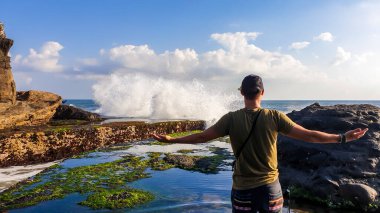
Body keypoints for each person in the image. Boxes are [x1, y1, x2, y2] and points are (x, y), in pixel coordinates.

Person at [152, 74, 368, 213]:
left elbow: (201, 137)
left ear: (241, 93)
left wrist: (172, 140)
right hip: (271, 191)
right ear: (262, 93)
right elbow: (309, 135)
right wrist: (342, 138)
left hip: (242, 190)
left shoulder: (230, 118)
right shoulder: (274, 116)